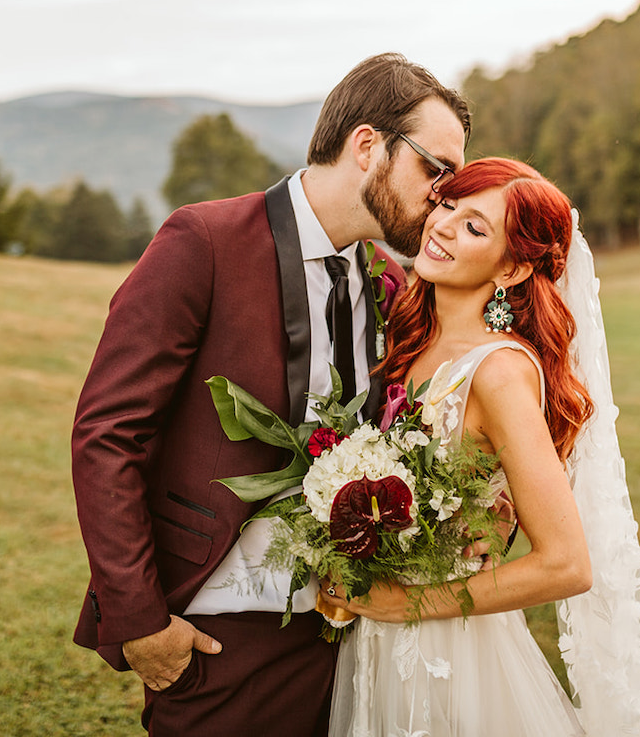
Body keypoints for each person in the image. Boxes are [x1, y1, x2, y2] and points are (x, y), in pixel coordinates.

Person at [71, 53, 470, 736]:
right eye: (435, 170)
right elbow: (107, 435)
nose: (443, 196)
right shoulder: (204, 242)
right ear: (367, 145)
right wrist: (142, 624)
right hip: (219, 640)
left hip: (353, 636)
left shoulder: (391, 283)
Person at [322, 157, 640, 737]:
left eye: (475, 227)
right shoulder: (409, 341)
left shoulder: (498, 372)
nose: (441, 225)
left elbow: (566, 564)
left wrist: (403, 605)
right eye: (447, 205)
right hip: (375, 640)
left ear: (512, 268)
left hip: (448, 650)